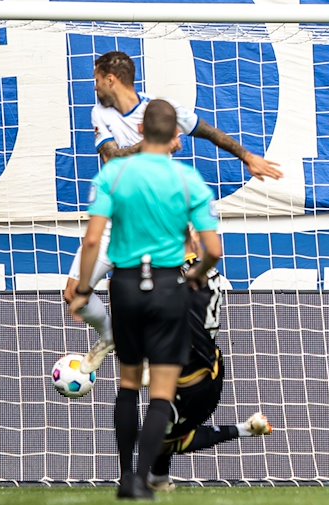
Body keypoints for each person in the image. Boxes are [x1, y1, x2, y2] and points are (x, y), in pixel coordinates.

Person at [65, 50, 282, 374]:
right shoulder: (101, 114)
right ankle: (110, 336)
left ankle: (171, 360)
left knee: (156, 299)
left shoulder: (159, 110)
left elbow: (206, 130)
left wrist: (246, 155)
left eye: (96, 80)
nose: (94, 87)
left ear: (111, 79)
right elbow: (112, 159)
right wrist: (156, 140)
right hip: (113, 224)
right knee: (72, 292)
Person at [68, 99, 222, 499]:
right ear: (175, 137)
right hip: (169, 286)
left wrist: (84, 287)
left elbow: (91, 240)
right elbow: (213, 250)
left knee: (128, 383)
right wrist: (195, 275)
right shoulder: (188, 179)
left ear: (140, 132)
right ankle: (143, 479)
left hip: (126, 286)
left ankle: (123, 478)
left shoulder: (115, 174)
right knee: (162, 391)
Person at [146, 236, 272, 492]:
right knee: (165, 426)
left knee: (163, 436)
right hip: (211, 368)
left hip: (191, 379)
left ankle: (244, 429)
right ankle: (158, 479)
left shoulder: (177, 277)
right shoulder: (208, 273)